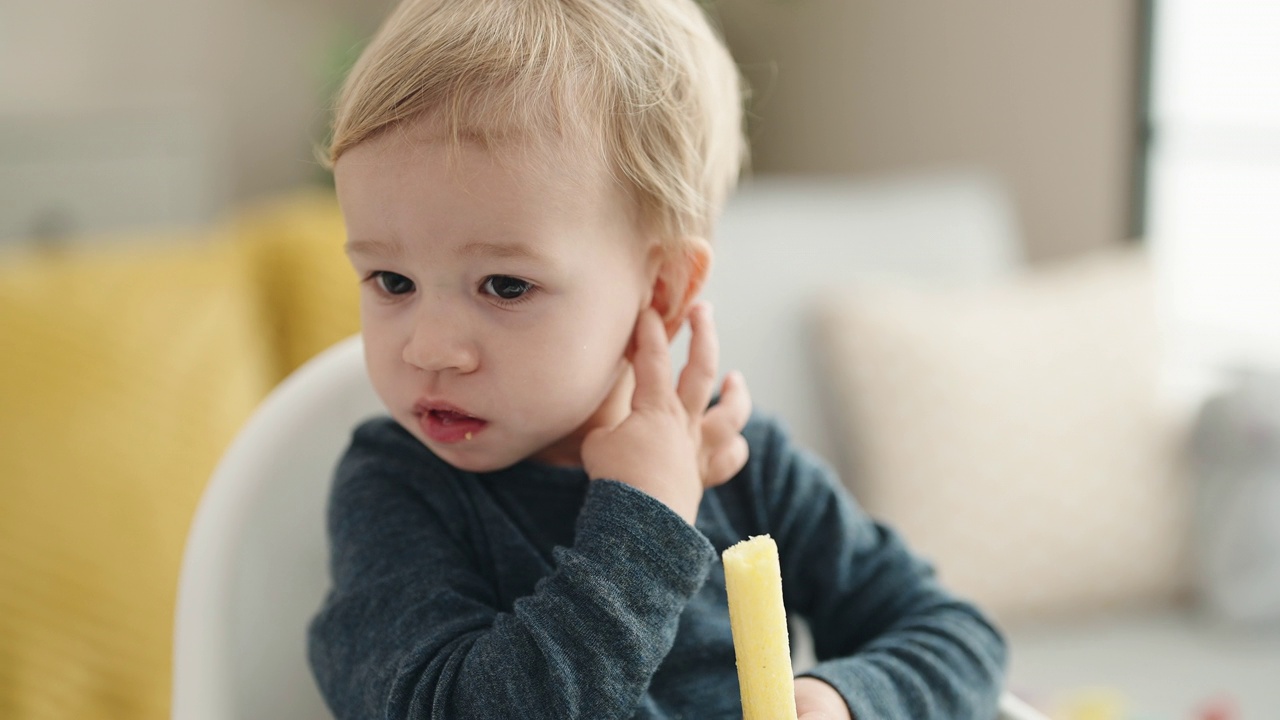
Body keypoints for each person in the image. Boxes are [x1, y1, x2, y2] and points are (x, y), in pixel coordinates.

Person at [307, 0, 1007, 717]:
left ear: (663, 288)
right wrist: (646, 521)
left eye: (506, 286)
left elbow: (959, 640)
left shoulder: (743, 463)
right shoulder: (397, 489)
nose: (428, 348)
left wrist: (843, 700)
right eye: (392, 281)